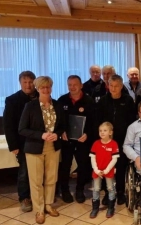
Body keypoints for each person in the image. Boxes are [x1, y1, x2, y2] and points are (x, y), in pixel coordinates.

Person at [18, 76, 65, 224]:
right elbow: (22, 129)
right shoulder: (30, 106)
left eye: (48, 87)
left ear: (51, 88)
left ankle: (48, 205)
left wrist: (56, 135)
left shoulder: (57, 105)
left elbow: (62, 126)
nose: (46, 90)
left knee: (51, 178)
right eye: (43, 87)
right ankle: (39, 209)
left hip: (53, 147)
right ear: (37, 88)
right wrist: (42, 135)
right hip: (34, 147)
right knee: (36, 180)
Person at [97, 74, 136, 205]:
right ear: (108, 86)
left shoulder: (128, 100)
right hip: (106, 140)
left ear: (121, 86)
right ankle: (108, 192)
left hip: (122, 139)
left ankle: (120, 191)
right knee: (106, 166)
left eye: (116, 86)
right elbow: (99, 121)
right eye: (111, 86)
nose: (113, 89)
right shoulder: (103, 101)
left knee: (121, 166)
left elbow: (132, 121)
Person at [3, 71, 38, 212]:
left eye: (30, 82)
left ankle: (38, 196)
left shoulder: (41, 96)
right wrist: (13, 145)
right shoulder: (12, 100)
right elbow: (8, 124)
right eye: (25, 82)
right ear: (20, 83)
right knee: (24, 172)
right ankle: (24, 197)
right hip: (22, 143)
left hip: (39, 141)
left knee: (39, 171)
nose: (28, 85)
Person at [57, 75, 94, 203]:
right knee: (65, 166)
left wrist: (88, 134)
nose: (72, 87)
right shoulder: (62, 100)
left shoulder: (89, 101)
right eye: (70, 85)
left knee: (83, 166)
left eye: (75, 84)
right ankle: (65, 190)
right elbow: (57, 121)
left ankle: (79, 190)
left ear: (81, 85)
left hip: (83, 141)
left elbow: (94, 122)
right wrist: (61, 131)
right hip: (66, 140)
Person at [89, 122, 119, 218]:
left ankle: (111, 208)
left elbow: (114, 159)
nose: (102, 132)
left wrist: (106, 170)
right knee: (96, 189)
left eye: (105, 130)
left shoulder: (114, 144)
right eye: (100, 131)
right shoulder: (96, 144)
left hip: (108, 171)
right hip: (97, 171)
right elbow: (92, 158)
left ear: (110, 132)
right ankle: (95, 208)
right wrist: (97, 170)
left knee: (110, 188)